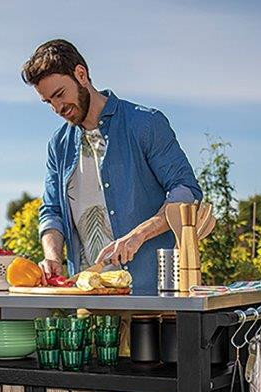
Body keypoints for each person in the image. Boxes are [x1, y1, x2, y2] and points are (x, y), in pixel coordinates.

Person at [22, 39, 202, 295]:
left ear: (81, 75)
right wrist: (52, 256)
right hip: (86, 296)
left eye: (60, 94)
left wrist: (138, 235)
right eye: (48, 101)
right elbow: (52, 211)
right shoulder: (59, 145)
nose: (57, 108)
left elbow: (186, 192)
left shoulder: (145, 124)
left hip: (149, 296)